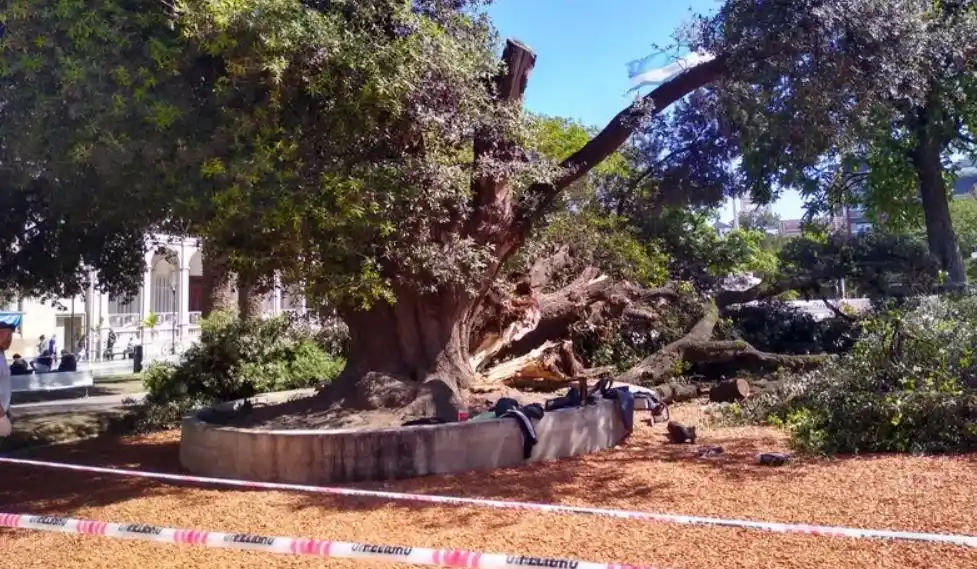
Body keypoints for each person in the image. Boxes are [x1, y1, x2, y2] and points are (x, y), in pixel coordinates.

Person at [0, 312, 22, 437]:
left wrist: (7, 409)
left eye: (11, 335)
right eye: (5, 334)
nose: (9, 339)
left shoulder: (2, 355)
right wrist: (1, 416)